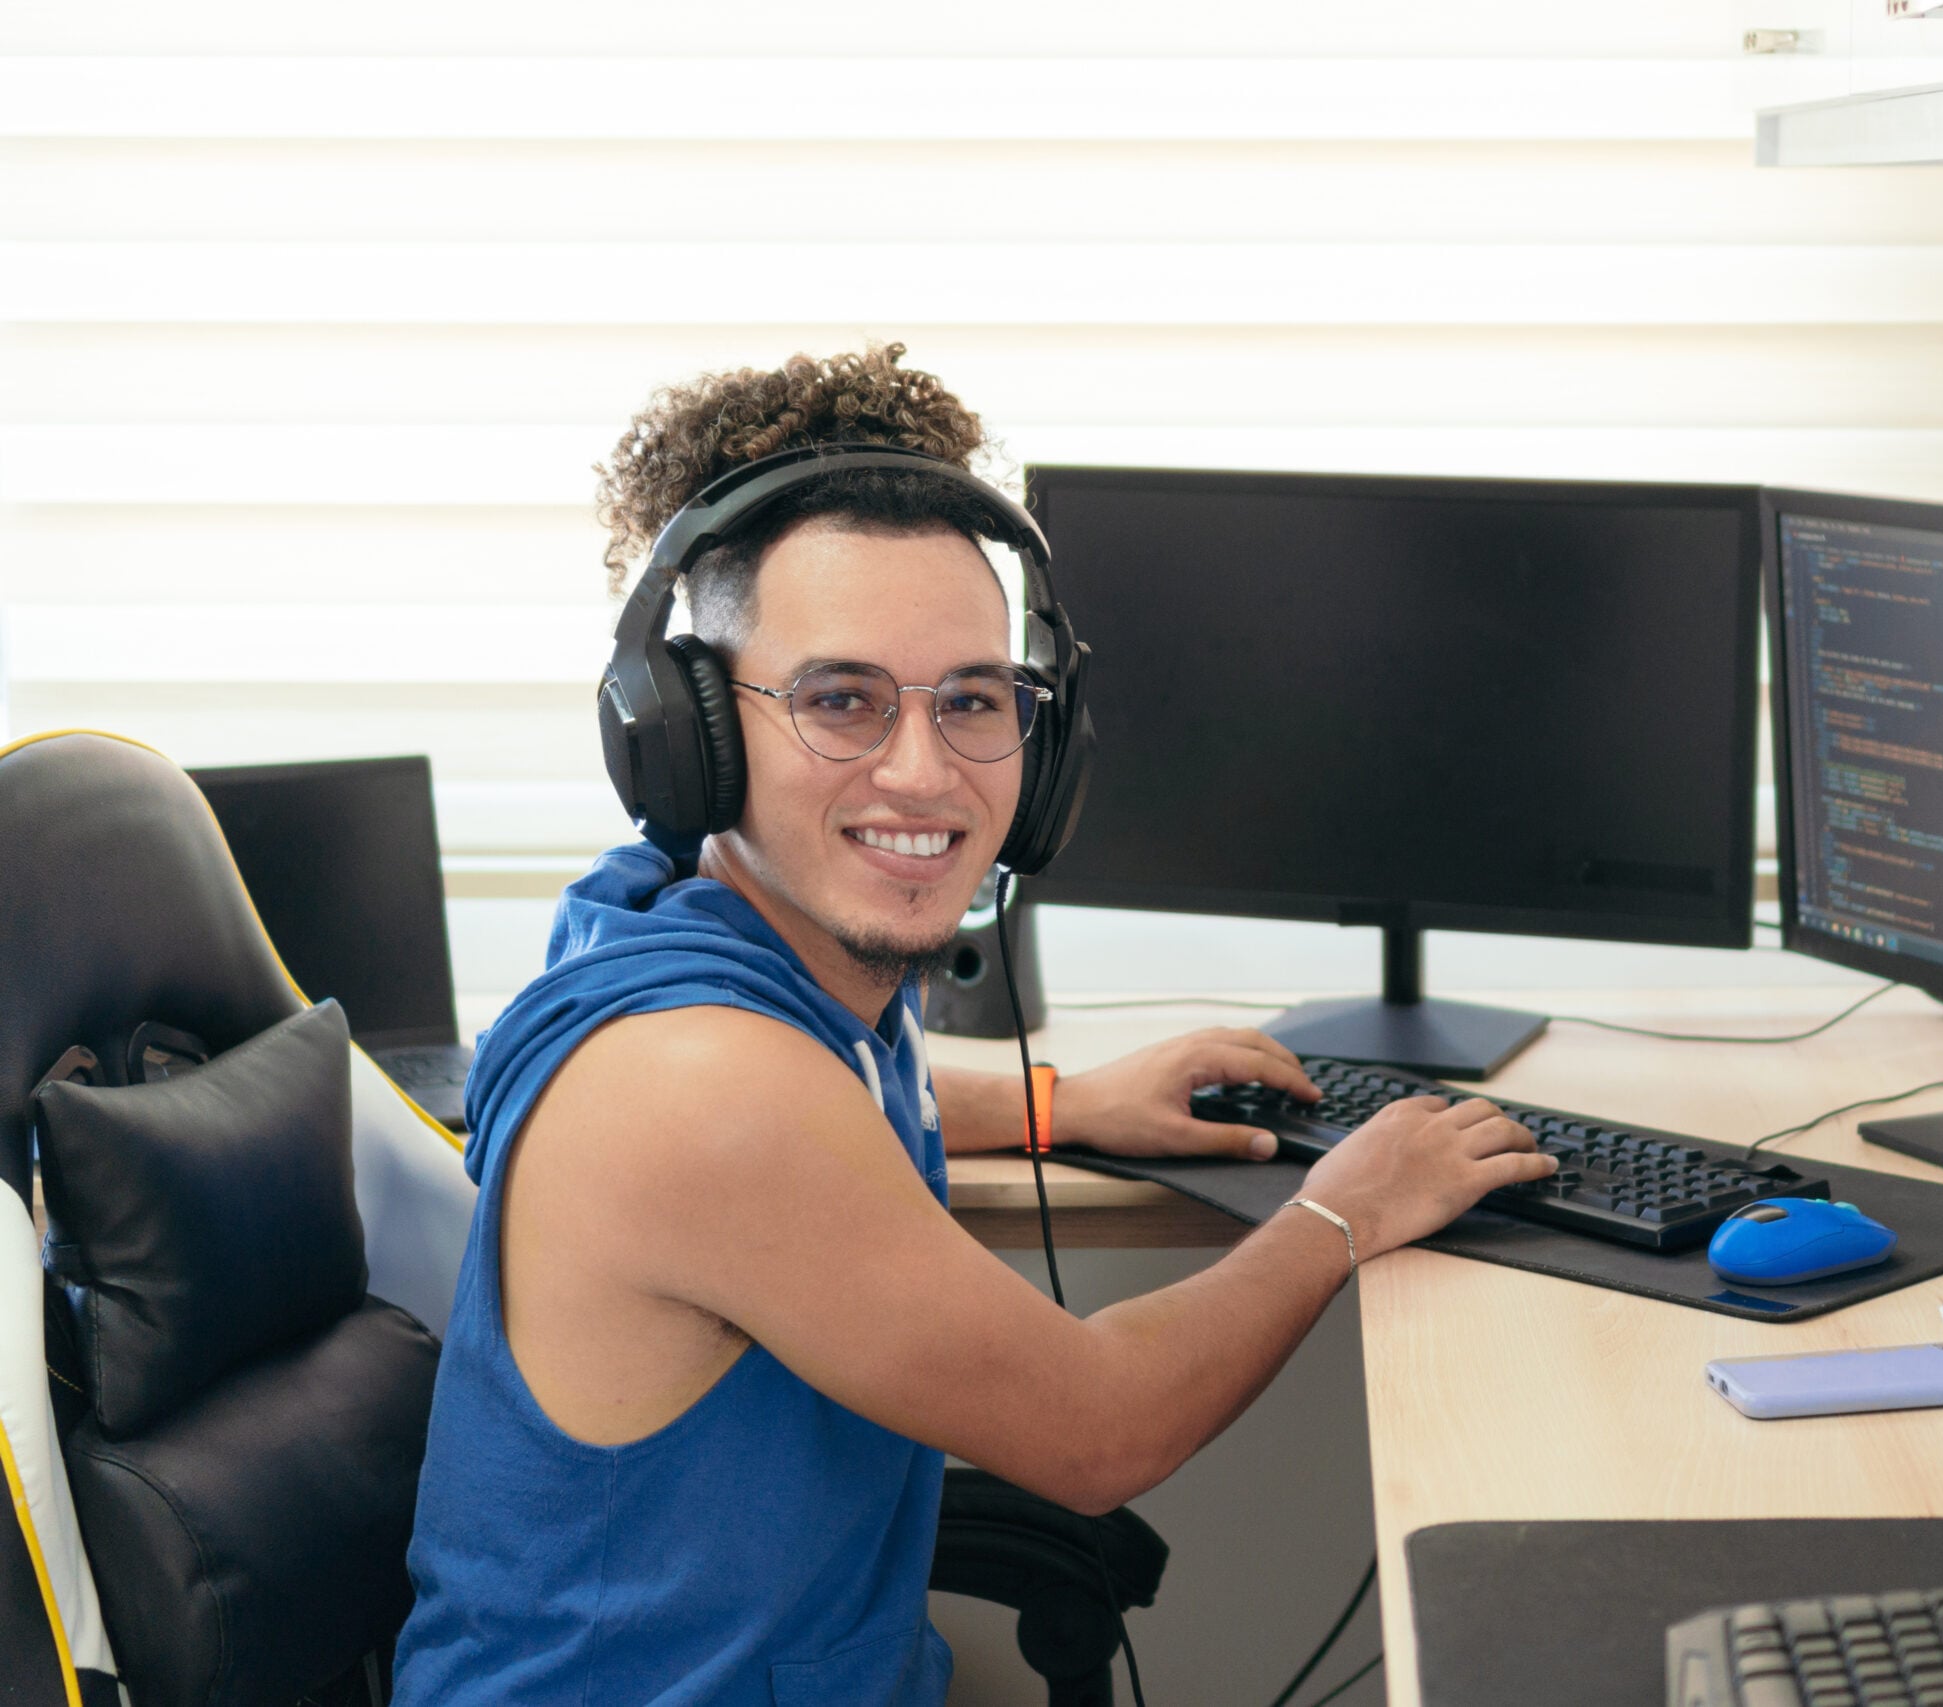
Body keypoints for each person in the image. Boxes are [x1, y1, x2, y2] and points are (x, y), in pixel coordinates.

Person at [392, 345, 1554, 1705]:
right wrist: (1344, 1209)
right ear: (688, 733)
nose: (922, 771)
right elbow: (1097, 1430)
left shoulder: (691, 930)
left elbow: (828, 1099)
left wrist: (1065, 1103)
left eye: (973, 700)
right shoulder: (701, 1088)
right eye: (841, 700)